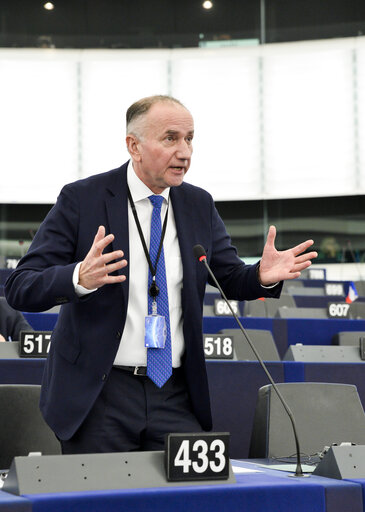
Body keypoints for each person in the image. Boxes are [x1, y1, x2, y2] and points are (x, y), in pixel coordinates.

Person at [5, 95, 317, 454]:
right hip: (100, 397)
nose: (185, 151)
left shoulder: (198, 204)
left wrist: (262, 276)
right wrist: (78, 277)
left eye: (190, 138)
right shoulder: (83, 199)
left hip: (176, 394)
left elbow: (227, 277)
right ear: (134, 146)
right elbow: (20, 286)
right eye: (171, 138)